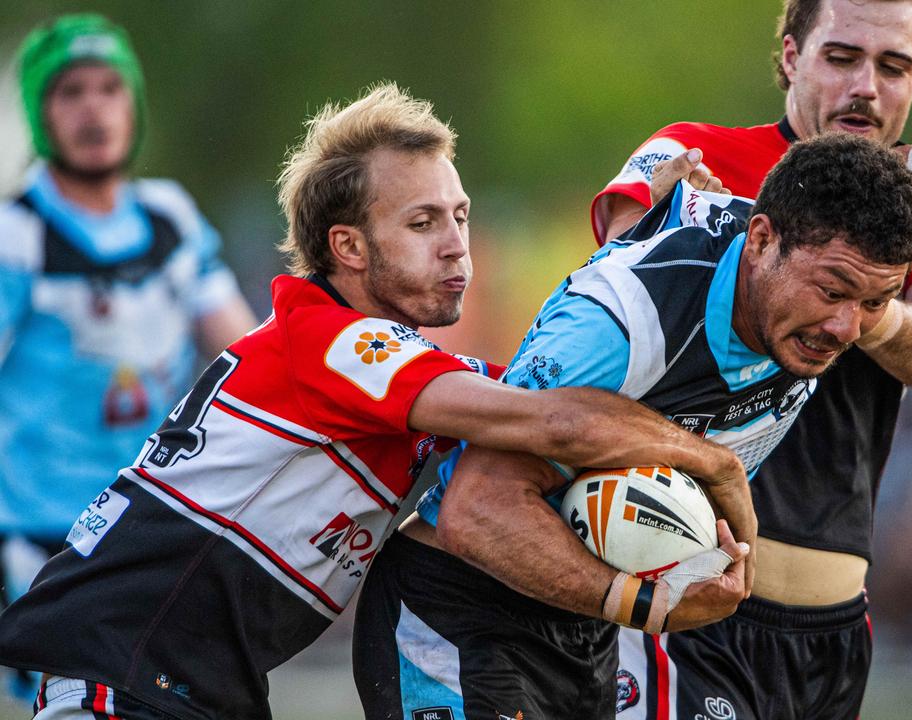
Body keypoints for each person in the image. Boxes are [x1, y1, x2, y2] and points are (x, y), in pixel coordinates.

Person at [0, 82, 758, 720]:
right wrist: (714, 464)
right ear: (349, 248)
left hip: (181, 686)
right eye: (422, 223)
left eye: (460, 216)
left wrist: (637, 246)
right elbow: (554, 415)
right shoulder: (329, 342)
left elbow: (556, 379)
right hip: (120, 673)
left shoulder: (393, 362)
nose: (457, 243)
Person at [351, 133, 912, 719]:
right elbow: (474, 510)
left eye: (875, 303)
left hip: (589, 632)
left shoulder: (802, 312)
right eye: (832, 291)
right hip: (460, 610)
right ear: (761, 241)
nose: (845, 328)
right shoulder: (623, 319)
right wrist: (645, 599)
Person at [589, 1, 912, 717]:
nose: (865, 87)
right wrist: (742, 247)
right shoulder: (692, 152)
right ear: (790, 55)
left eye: (892, 66)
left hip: (833, 632)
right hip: (684, 605)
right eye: (841, 58)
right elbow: (612, 271)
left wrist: (857, 290)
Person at [0, 14, 258, 701]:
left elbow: (246, 359)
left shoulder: (169, 219)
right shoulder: (16, 236)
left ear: (133, 105)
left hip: (153, 528)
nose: (93, 108)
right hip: (45, 547)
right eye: (71, 91)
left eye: (111, 88)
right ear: (40, 112)